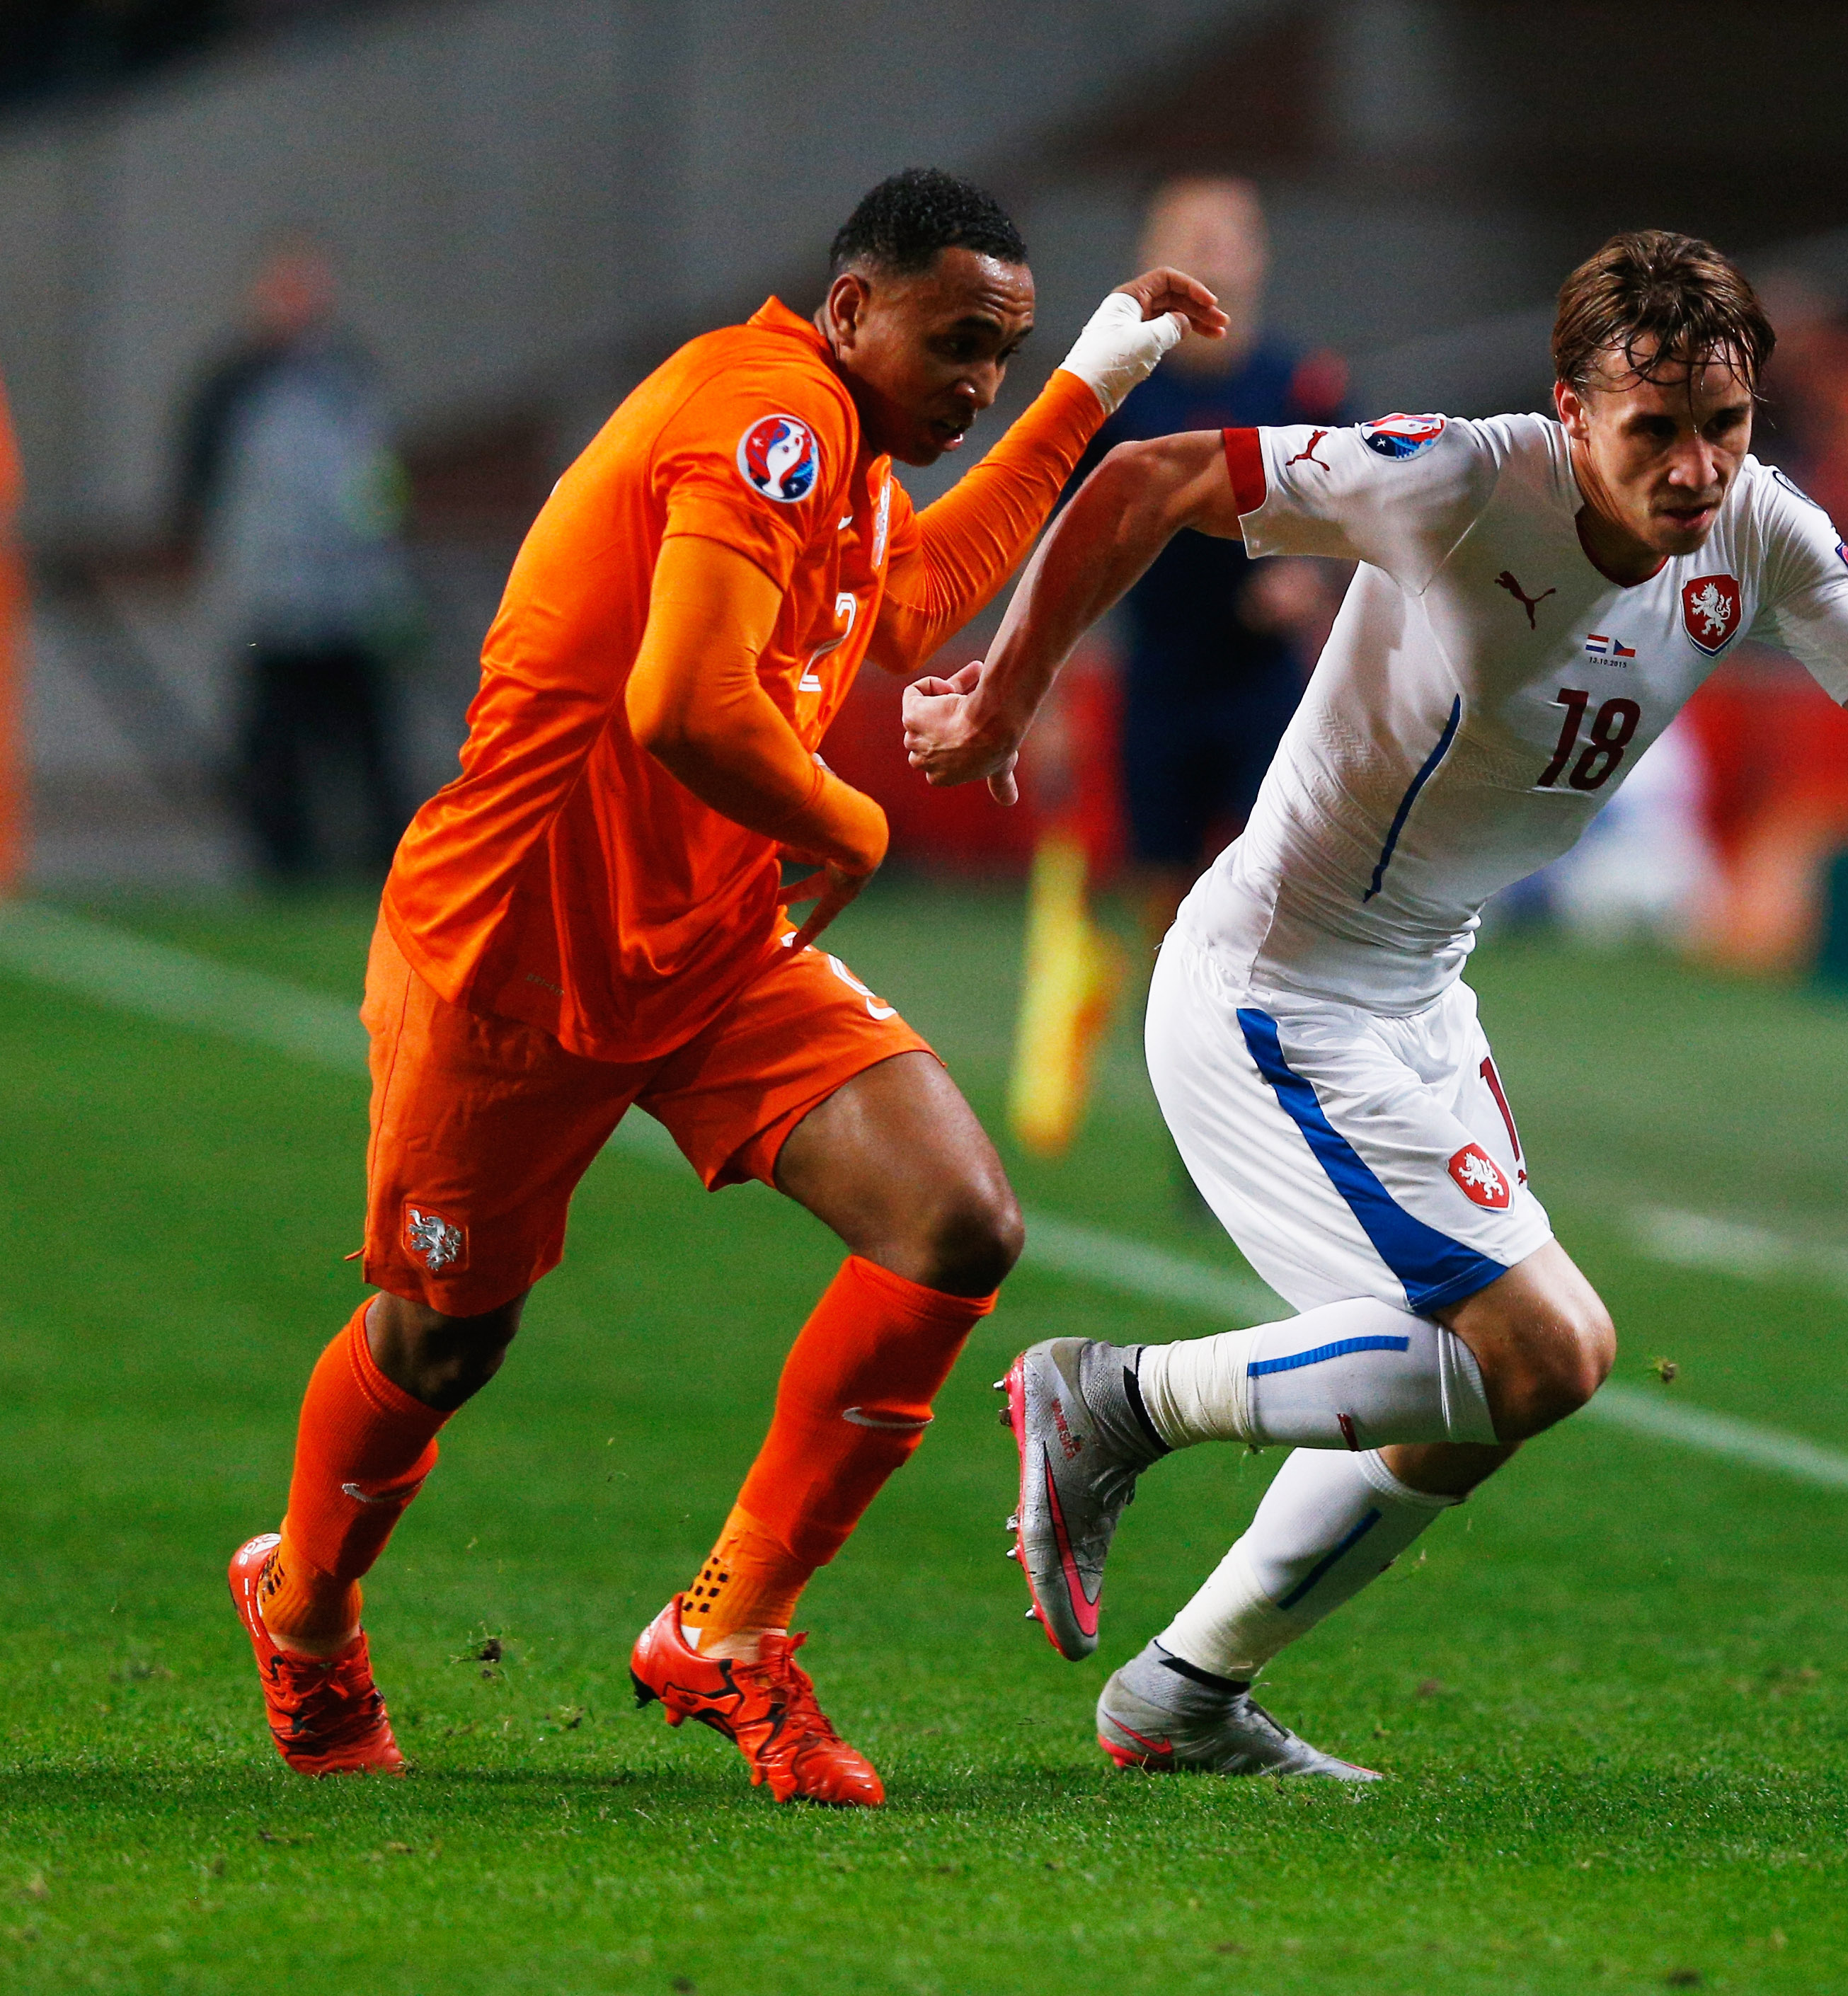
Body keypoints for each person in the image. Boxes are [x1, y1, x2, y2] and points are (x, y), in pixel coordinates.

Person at [903, 229, 1848, 1775]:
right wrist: (1005, 689)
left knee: (1481, 1398)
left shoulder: (1763, 528)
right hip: (1273, 989)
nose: (1698, 467)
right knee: (1548, 1352)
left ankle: (1184, 1690)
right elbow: (1150, 478)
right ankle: (1112, 1401)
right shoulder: (1450, 479)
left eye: (1726, 425)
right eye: (1656, 429)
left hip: (1424, 996)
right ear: (1569, 412)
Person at [225, 167, 1224, 1806]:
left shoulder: (848, 453)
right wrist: (848, 815)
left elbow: (907, 600)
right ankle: (307, 1602)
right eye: (955, 341)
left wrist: (1095, 375)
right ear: (850, 313)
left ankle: (729, 1627)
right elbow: (685, 696)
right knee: (440, 1340)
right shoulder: (767, 415)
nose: (975, 379)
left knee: (956, 1221)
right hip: (514, 954)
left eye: (1003, 346)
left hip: (707, 941)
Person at [1087, 177, 1348, 937]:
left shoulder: (1306, 388)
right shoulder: (1115, 396)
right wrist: (1040, 695)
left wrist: (1316, 576)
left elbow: (1371, 520)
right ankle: (1168, 1030)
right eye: (1193, 240)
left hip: (1263, 679)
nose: (1216, 258)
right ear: (1150, 259)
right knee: (1161, 888)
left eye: (1232, 238)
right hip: (1158, 672)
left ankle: (1255, 1031)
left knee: (1267, 879)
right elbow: (1061, 542)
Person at [176, 234, 415, 881]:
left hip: (348, 601)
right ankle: (279, 862)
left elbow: (380, 480)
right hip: (271, 603)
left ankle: (385, 863)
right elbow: (196, 485)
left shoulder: (349, 377)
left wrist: (386, 576)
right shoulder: (232, 384)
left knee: (366, 739)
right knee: (273, 741)